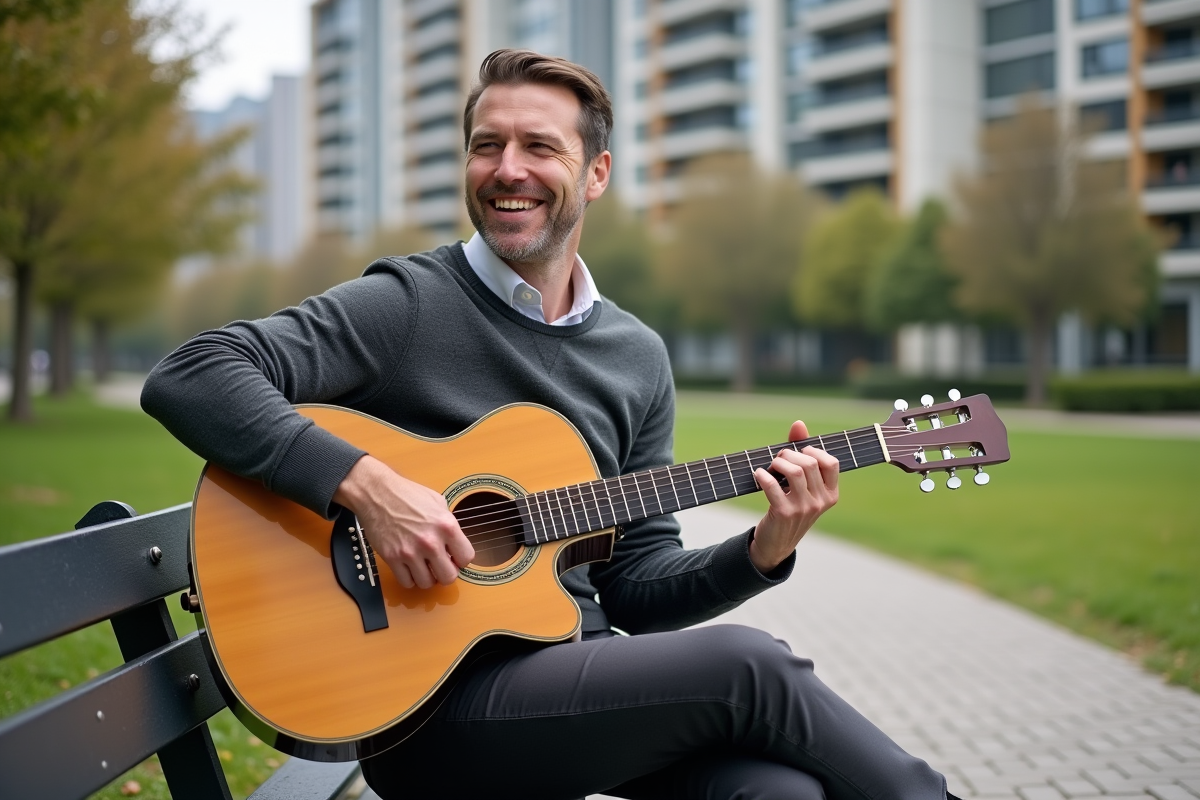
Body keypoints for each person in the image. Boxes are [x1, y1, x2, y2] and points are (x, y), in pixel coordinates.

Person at [143, 50, 951, 800]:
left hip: (573, 685)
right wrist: (370, 489)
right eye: (487, 145)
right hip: (424, 713)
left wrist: (763, 551)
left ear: (595, 173)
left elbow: (637, 584)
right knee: (750, 665)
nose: (508, 170)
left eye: (539, 147)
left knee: (778, 794)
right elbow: (193, 374)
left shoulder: (636, 356)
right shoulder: (408, 304)